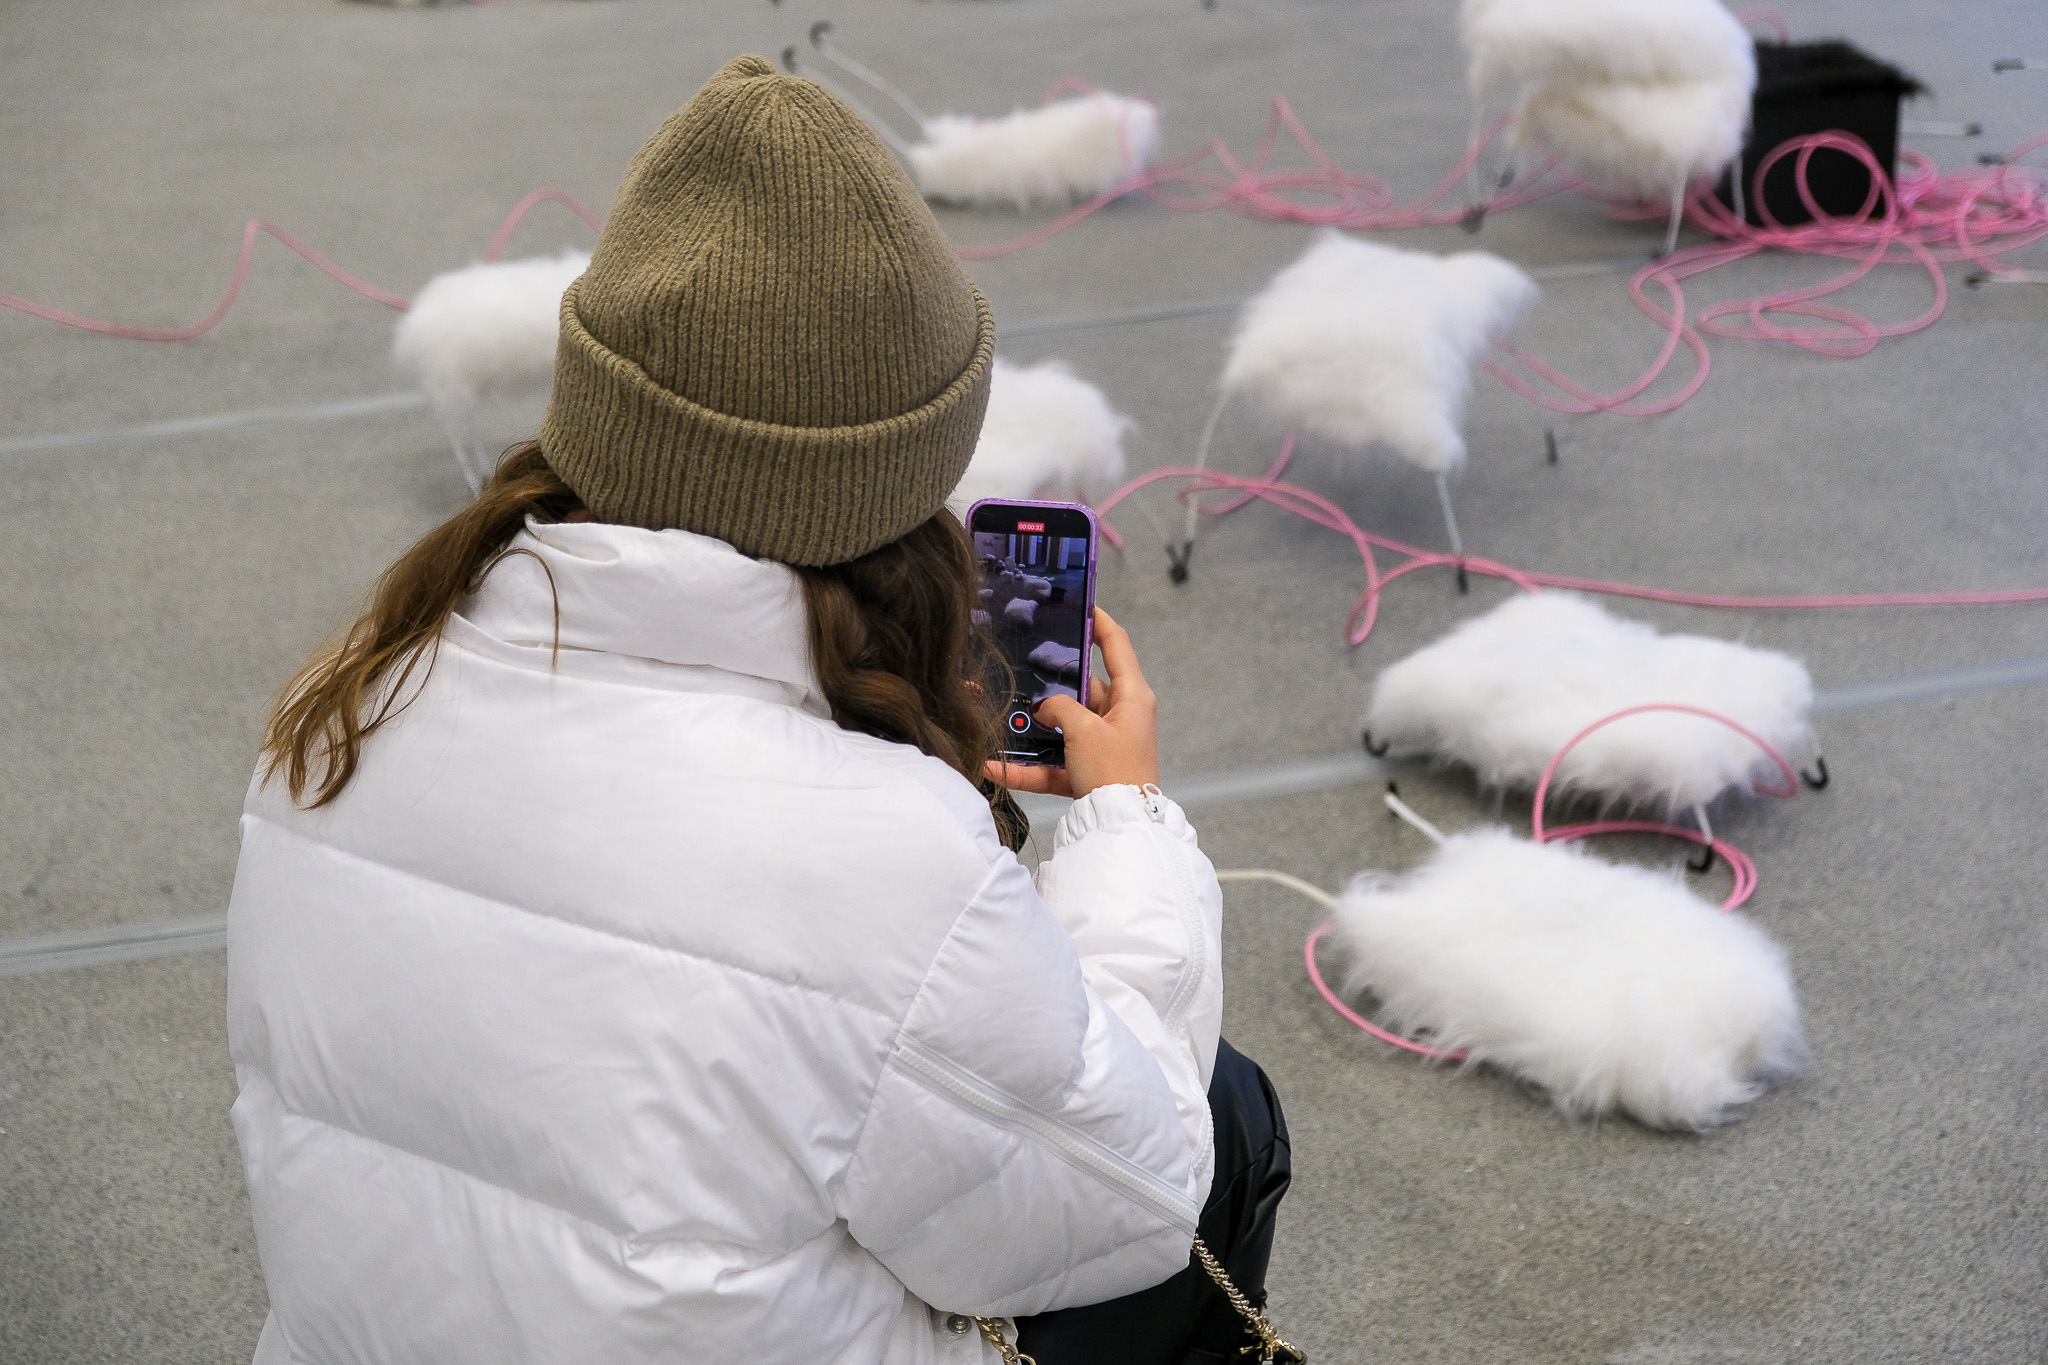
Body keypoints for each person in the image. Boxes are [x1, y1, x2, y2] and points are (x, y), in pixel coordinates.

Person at [228, 55, 1288, 1365]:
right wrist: (1127, 821)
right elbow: (1127, 1189)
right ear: (899, 488)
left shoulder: (352, 694)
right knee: (1225, 1113)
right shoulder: (884, 856)